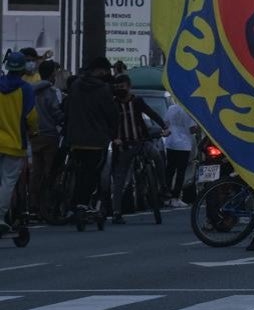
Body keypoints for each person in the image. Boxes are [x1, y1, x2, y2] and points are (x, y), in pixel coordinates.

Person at [62, 58, 120, 227]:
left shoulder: (75, 86)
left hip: (75, 139)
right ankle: (82, 204)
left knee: (79, 172)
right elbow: (112, 114)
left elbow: (66, 108)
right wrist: (113, 133)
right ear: (101, 71)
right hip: (96, 140)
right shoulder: (103, 89)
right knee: (92, 173)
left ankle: (73, 205)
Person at [108, 74, 170, 224]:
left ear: (129, 87)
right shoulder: (114, 104)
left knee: (156, 155)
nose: (119, 90)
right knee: (119, 179)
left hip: (141, 141)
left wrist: (164, 127)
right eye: (116, 88)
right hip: (124, 146)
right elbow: (108, 124)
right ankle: (116, 211)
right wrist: (113, 138)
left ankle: (163, 187)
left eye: (122, 87)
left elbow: (152, 114)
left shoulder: (137, 101)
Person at [0, 51, 38, 236]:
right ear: (23, 68)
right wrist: (34, 131)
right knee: (8, 182)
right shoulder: (26, 89)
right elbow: (31, 117)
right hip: (15, 143)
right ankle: (0, 217)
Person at [30, 59, 65, 215]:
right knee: (50, 171)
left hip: (34, 135)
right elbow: (56, 114)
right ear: (52, 74)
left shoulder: (30, 90)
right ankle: (48, 205)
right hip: (50, 136)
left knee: (36, 172)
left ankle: (33, 205)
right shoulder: (50, 93)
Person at [164, 101, 197, 208]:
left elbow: (166, 123)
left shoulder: (171, 108)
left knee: (169, 170)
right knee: (181, 172)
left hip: (170, 142)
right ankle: (175, 197)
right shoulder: (189, 111)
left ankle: (166, 196)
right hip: (183, 144)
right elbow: (192, 129)